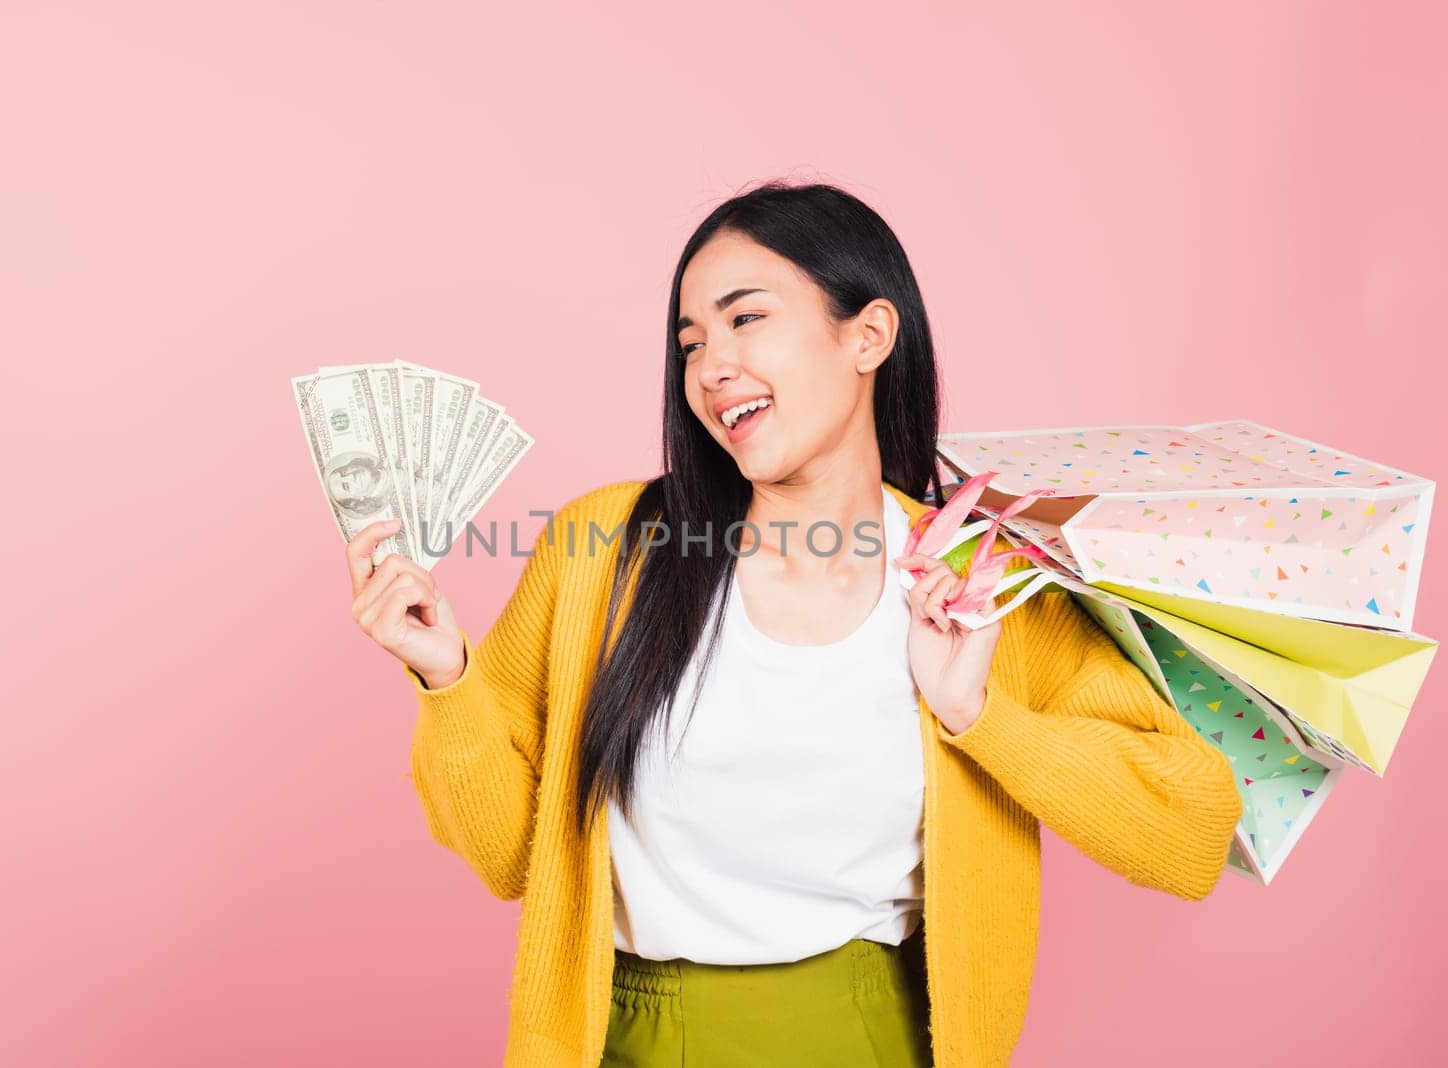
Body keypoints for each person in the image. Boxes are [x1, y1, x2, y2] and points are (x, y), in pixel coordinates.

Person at [342, 180, 1243, 1067]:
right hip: (620, 1037)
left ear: (868, 335)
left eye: (746, 319)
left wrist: (981, 717)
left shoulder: (972, 581)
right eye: (689, 342)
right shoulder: (603, 550)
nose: (709, 366)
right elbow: (508, 859)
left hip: (864, 1035)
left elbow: (1194, 830)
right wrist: (446, 675)